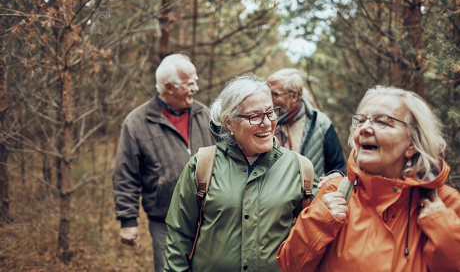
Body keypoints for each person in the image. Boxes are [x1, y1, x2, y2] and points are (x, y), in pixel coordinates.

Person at [277, 86, 460, 271]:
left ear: (412, 143)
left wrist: (442, 228)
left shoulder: (445, 204)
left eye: (382, 122)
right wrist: (318, 221)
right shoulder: (334, 193)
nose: (364, 128)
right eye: (361, 120)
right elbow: (290, 266)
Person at [163, 74, 314, 272]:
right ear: (230, 122)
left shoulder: (299, 168)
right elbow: (179, 237)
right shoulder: (202, 165)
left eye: (270, 112)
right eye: (254, 116)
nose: (267, 123)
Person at [112, 54, 215, 272]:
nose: (196, 88)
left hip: (211, 217)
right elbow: (126, 174)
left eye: (195, 81)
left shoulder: (205, 114)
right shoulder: (137, 122)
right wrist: (128, 221)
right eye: (190, 84)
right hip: (165, 220)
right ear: (168, 87)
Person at [267, 69, 345, 187]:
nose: (269, 98)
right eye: (269, 93)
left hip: (311, 200)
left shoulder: (321, 123)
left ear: (293, 96)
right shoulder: (264, 122)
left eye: (275, 94)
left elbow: (337, 169)